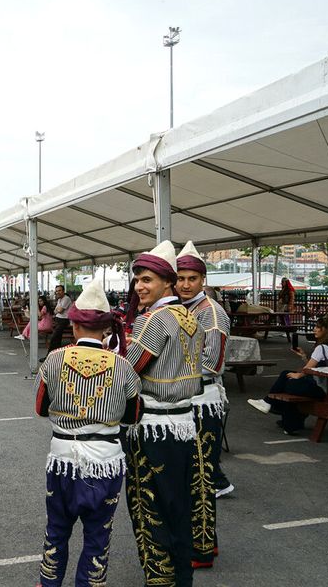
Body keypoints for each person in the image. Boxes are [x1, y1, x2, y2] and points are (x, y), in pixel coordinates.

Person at [34, 280, 141, 587]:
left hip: (63, 459)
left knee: (57, 530)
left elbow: (40, 407)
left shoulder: (54, 359)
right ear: (106, 329)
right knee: (98, 536)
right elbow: (133, 416)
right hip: (106, 462)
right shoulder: (123, 366)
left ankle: (49, 583)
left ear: (75, 325)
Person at [123, 240, 204, 587]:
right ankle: (182, 577)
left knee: (149, 508)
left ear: (167, 282)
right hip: (184, 423)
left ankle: (160, 579)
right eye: (137, 280)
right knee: (179, 506)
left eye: (147, 280)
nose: (140, 287)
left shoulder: (153, 320)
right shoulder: (190, 316)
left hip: (153, 428)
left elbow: (128, 373)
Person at [176, 241, 232, 569]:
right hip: (188, 400)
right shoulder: (185, 308)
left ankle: (202, 549)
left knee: (200, 476)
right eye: (180, 278)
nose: (185, 284)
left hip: (203, 401)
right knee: (191, 476)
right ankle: (205, 541)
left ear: (203, 280)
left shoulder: (211, 312)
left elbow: (214, 362)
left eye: (192, 279)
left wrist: (168, 369)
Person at [248, 316, 328, 434]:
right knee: (288, 380)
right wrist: (304, 357)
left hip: (318, 388)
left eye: (318, 327)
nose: (314, 330)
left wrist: (299, 375)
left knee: (286, 379)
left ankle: (271, 405)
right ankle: (286, 420)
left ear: (325, 330)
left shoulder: (321, 347)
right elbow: (317, 366)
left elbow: (308, 369)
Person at [47, 285, 73, 353]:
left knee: (54, 337)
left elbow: (60, 310)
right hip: (58, 319)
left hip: (64, 320)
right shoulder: (59, 299)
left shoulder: (66, 299)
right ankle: (55, 353)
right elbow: (55, 311)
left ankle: (49, 353)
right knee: (57, 337)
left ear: (63, 291)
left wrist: (58, 310)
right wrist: (58, 310)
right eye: (56, 291)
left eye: (59, 290)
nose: (57, 292)